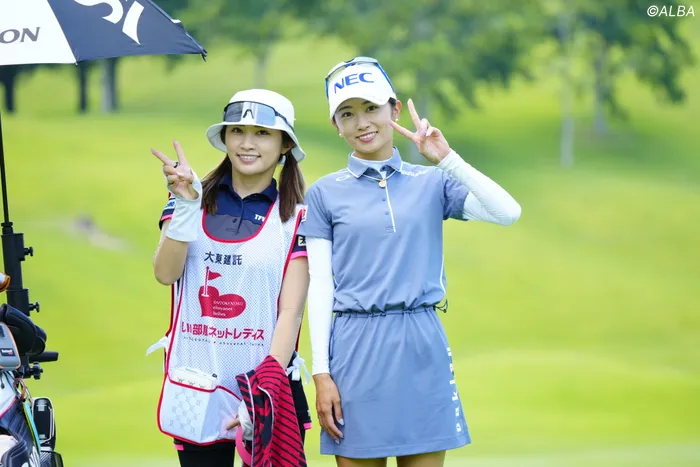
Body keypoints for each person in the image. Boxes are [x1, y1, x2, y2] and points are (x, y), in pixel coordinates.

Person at [299, 57, 522, 467]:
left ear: (395, 110)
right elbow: (320, 286)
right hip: (355, 347)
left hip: (421, 343)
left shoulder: (432, 182)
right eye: (347, 114)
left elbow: (507, 212)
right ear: (336, 125)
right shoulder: (325, 193)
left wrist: (447, 158)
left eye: (371, 108)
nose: (362, 123)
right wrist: (321, 373)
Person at [148, 89, 312, 467]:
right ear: (225, 138)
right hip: (196, 386)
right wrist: (186, 205)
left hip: (268, 389)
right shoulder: (189, 200)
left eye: (262, 133)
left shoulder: (298, 218)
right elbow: (165, 274)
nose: (246, 143)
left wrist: (263, 391)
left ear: (286, 144)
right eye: (237, 131)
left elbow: (291, 313)